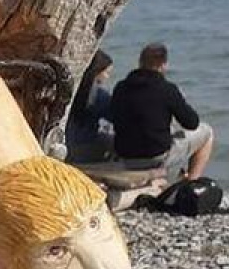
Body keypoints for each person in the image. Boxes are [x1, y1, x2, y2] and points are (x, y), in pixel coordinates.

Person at [111, 43, 215, 179]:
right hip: (156, 157)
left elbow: (114, 117)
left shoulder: (120, 87)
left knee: (160, 128)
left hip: (125, 156)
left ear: (140, 62)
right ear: (163, 65)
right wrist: (180, 100)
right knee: (207, 132)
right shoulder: (167, 89)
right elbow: (192, 123)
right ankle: (192, 181)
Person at [66, 50, 115, 163]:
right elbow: (116, 117)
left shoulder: (72, 90)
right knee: (113, 140)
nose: (107, 77)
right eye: (106, 73)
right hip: (85, 148)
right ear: (97, 72)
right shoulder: (97, 95)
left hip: (68, 145)